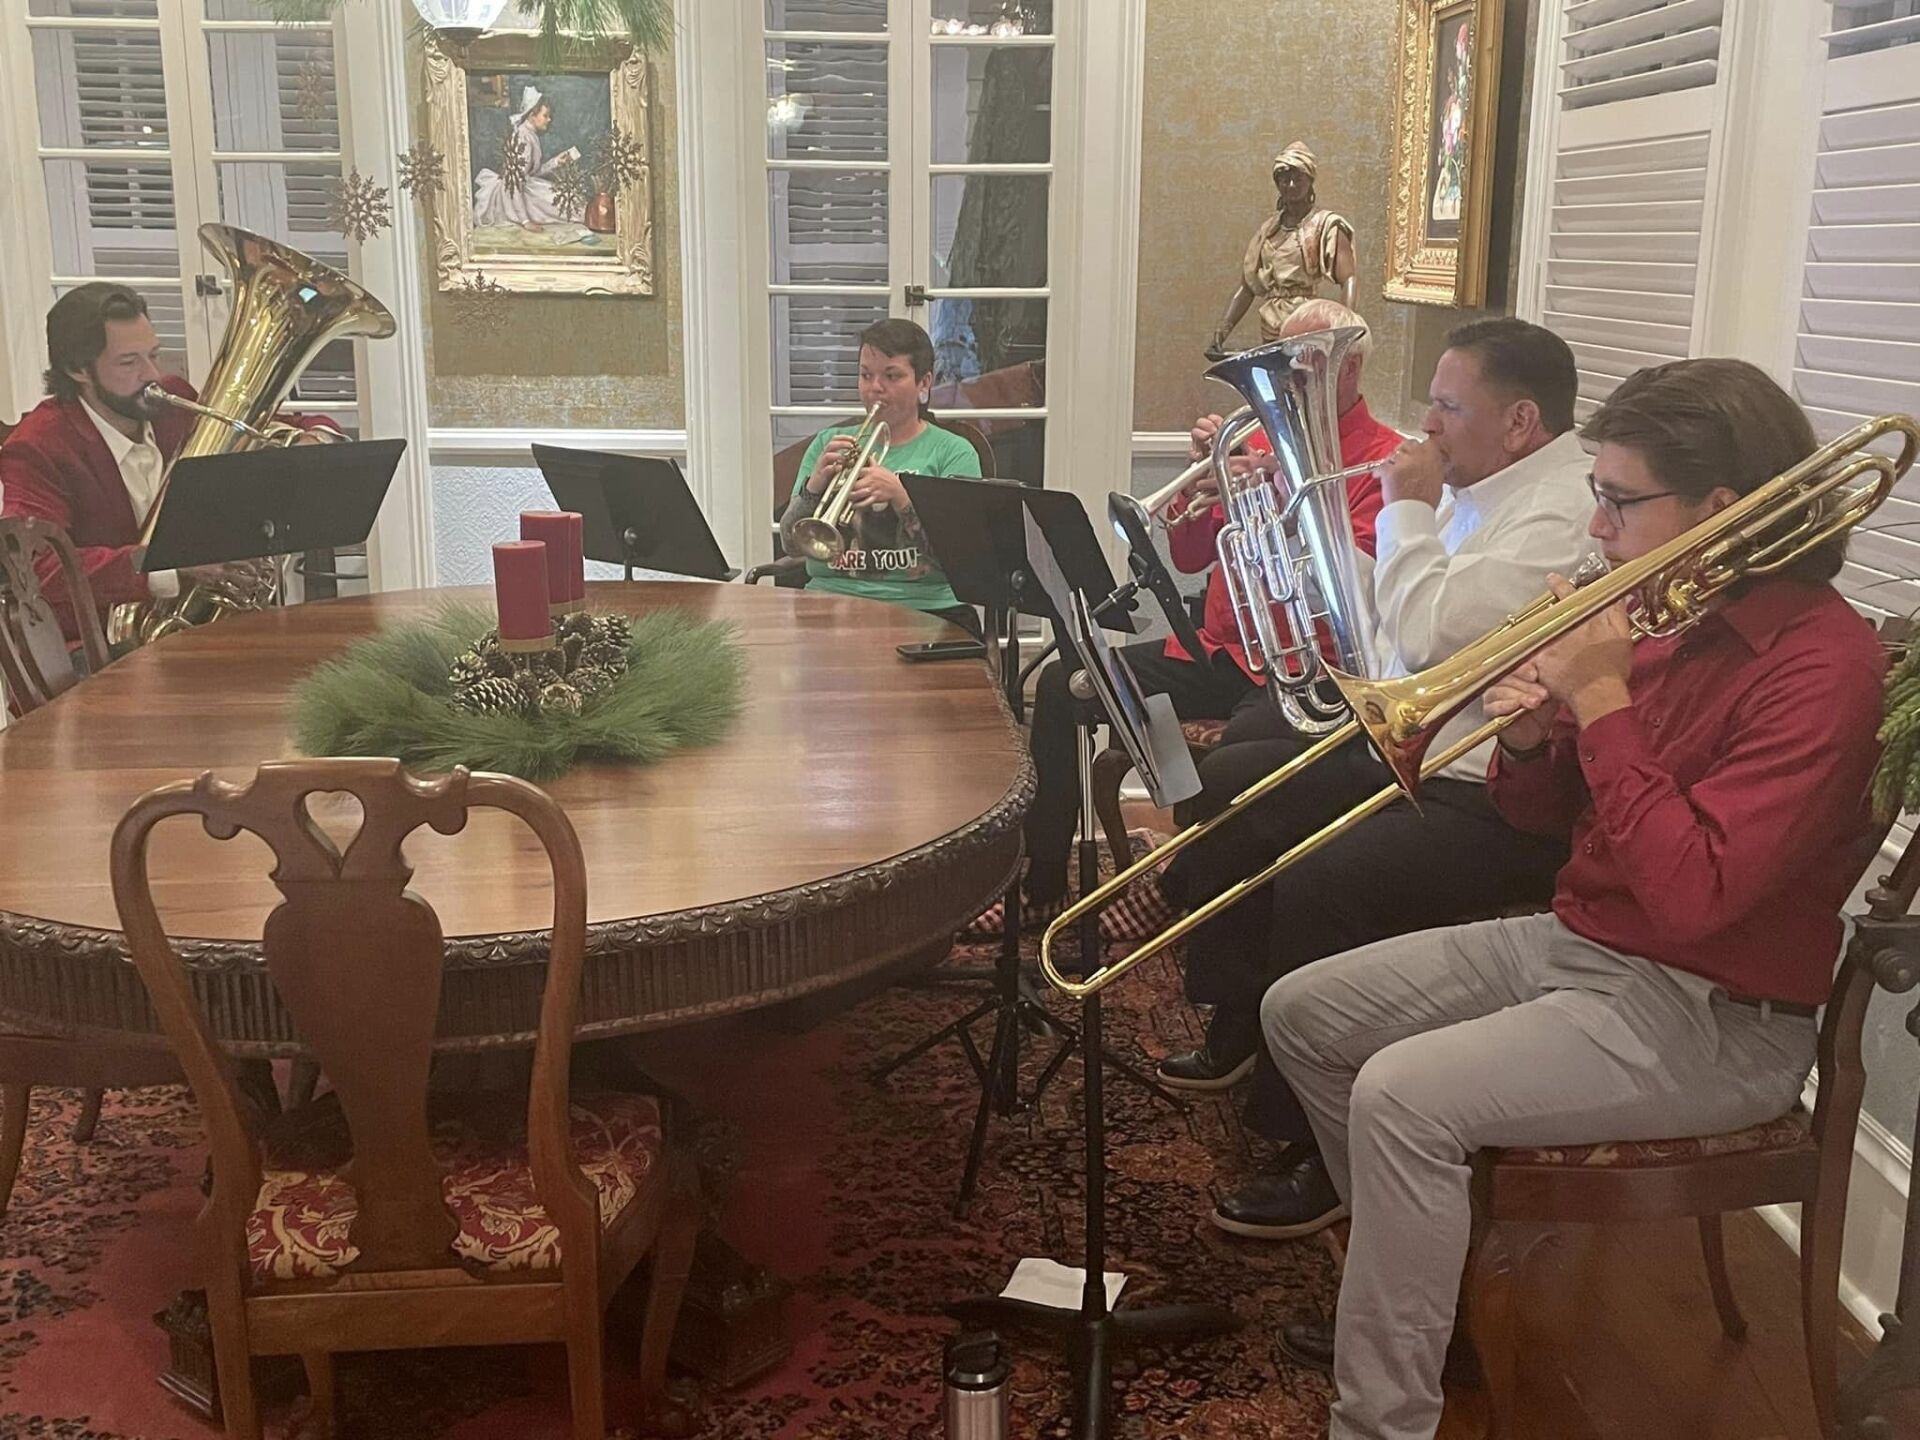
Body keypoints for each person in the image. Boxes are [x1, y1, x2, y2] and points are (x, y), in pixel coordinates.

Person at [1263, 357, 1884, 1440]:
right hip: (1585, 943)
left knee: (1402, 1097)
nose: (1596, 529)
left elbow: (1694, 899)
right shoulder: (1671, 614)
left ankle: (1380, 1421)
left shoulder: (1825, 669)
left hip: (1715, 1014)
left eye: (1619, 501)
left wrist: (1600, 699)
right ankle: (1427, 1293)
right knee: (1302, 1014)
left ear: (1719, 509)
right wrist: (1533, 735)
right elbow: (1549, 821)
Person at [1148, 319, 1599, 1240]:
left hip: (1489, 783)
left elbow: (1429, 630)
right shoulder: (1476, 487)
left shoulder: (1558, 508)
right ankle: (1243, 1019)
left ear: (1519, 422)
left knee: (1327, 879)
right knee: (1235, 787)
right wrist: (1301, 530)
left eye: (1446, 406)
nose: (1425, 425)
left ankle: (1315, 1145)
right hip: (1417, 747)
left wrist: (1406, 513)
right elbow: (1389, 619)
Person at [970, 300, 1400, 938]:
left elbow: (1352, 592)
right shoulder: (1257, 444)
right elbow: (1191, 556)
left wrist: (1283, 495)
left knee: (1235, 761)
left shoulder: (1384, 462)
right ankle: (1042, 884)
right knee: (1063, 683)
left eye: (1298, 365)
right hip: (1220, 648)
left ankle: (1177, 888)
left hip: (1306, 672)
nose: (1282, 383)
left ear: (1349, 367)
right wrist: (1206, 482)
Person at [0, 283, 336, 644]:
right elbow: (37, 569)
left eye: (154, 355)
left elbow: (281, 424)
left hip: (199, 636)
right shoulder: (38, 446)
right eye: (129, 362)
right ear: (78, 370)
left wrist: (317, 438)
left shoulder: (173, 399)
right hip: (97, 650)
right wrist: (167, 563)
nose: (151, 374)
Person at [782, 318, 982, 631]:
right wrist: (816, 485)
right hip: (829, 604)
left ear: (924, 383)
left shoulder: (954, 453)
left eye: (892, 376)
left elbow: (962, 560)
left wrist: (901, 496)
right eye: (866, 375)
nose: (875, 388)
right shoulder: (827, 443)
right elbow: (791, 543)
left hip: (926, 608)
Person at [1210, 141, 1357, 355]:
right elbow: (1247, 288)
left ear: (1310, 181)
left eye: (1298, 179)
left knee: (1303, 373)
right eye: (1284, 179)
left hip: (1306, 321)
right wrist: (1222, 331)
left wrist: (1344, 332)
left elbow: (1349, 279)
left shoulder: (1325, 224)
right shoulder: (1268, 231)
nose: (1291, 185)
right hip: (1270, 324)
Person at [471, 87, 583, 232]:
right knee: (569, 206)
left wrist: (556, 161)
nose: (549, 119)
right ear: (532, 115)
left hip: (527, 187)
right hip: (514, 195)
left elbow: (532, 172)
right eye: (545, 115)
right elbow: (515, 182)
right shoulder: (523, 137)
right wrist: (525, 221)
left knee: (571, 201)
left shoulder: (530, 134)